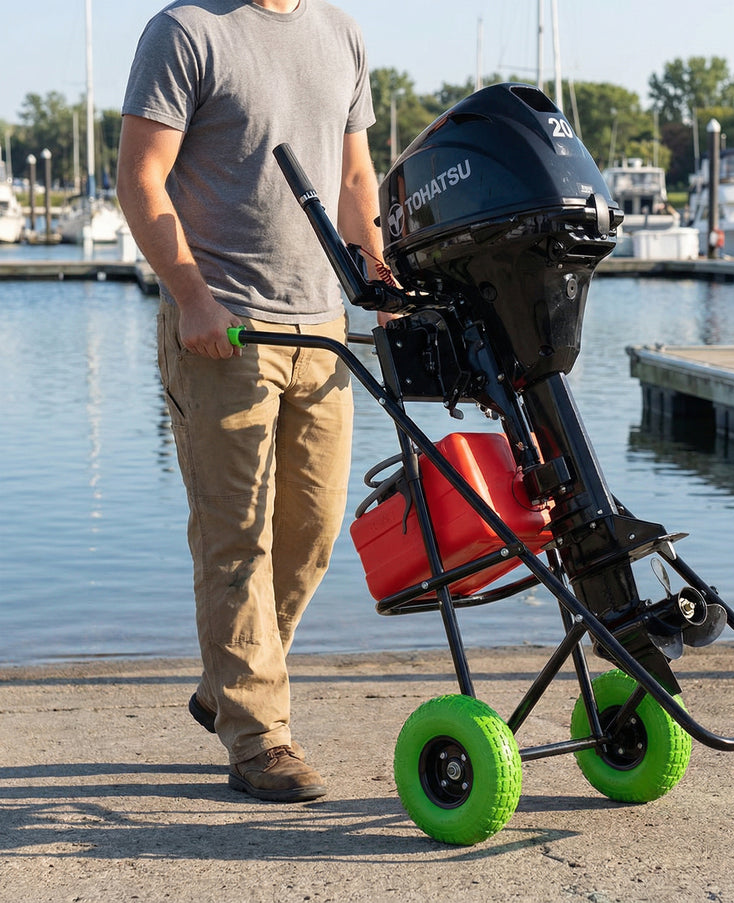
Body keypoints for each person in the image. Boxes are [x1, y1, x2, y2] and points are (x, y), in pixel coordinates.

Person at [117, 0, 389, 803]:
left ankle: (224, 682)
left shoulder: (340, 33)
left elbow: (354, 177)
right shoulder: (186, 32)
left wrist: (377, 277)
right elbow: (140, 177)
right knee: (235, 538)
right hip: (223, 329)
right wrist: (191, 297)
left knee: (312, 532)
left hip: (324, 325)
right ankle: (258, 736)